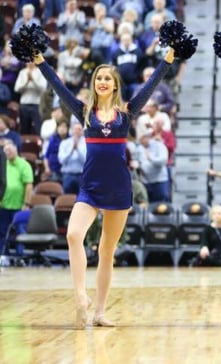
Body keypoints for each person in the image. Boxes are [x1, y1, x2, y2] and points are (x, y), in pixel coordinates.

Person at [32, 41, 177, 328]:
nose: (102, 82)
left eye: (107, 78)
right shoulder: (83, 111)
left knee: (106, 252)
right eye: (98, 78)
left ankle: (99, 312)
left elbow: (150, 84)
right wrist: (40, 61)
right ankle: (80, 297)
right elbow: (59, 86)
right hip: (90, 188)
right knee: (74, 236)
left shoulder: (127, 112)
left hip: (119, 188)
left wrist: (168, 59)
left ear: (114, 85)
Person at [0, 140, 33, 257]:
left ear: (16, 149)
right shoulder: (2, 163)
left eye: (9, 149)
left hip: (19, 205)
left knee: (20, 232)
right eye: (5, 150)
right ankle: (3, 256)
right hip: (3, 205)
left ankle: (20, 256)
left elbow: (29, 185)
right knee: (2, 232)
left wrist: (27, 203)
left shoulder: (24, 165)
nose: (7, 152)